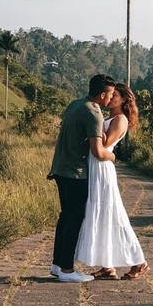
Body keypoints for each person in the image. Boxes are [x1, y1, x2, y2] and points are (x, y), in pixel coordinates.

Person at [75, 82, 149, 280]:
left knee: (113, 214)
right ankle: (107, 266)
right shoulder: (108, 117)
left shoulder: (120, 120)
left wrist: (96, 119)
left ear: (123, 99)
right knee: (100, 215)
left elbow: (105, 145)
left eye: (115, 95)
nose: (110, 98)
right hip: (94, 166)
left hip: (102, 168)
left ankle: (138, 260)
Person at [48, 74, 117, 283]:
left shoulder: (75, 104)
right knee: (74, 219)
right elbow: (98, 151)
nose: (111, 98)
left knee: (66, 217)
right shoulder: (93, 112)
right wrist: (113, 156)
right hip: (75, 173)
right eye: (111, 94)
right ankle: (67, 270)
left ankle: (57, 265)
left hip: (61, 168)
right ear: (102, 94)